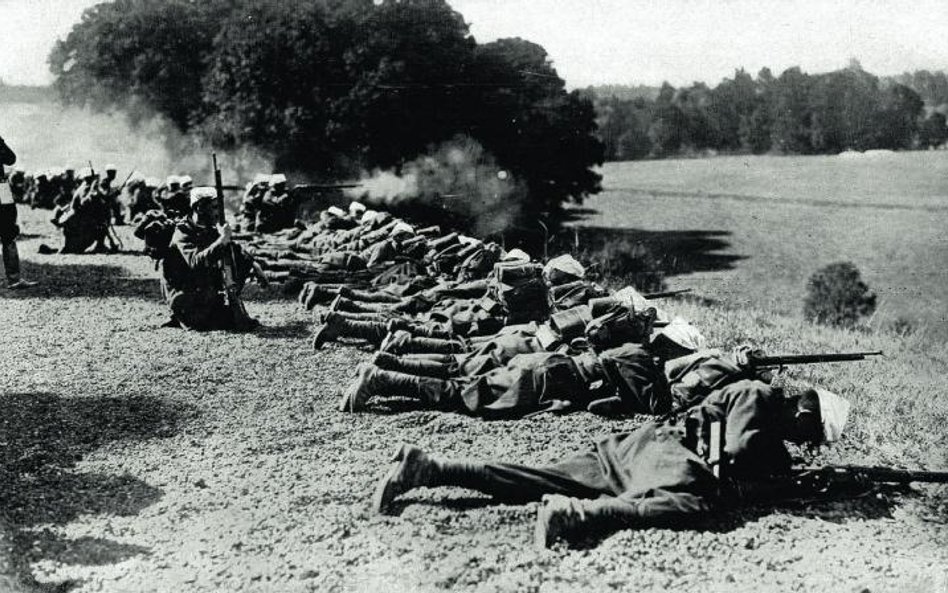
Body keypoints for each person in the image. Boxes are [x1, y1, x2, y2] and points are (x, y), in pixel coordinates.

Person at [373, 380, 851, 548]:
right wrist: (781, 482)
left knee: (538, 477)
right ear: (804, 411)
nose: (805, 443)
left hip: (633, 447)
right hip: (670, 457)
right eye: (810, 434)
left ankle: (430, 468)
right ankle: (575, 516)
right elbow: (738, 454)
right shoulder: (761, 395)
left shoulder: (762, 410)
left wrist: (792, 477)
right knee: (692, 507)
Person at [159, 186, 263, 330]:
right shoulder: (182, 233)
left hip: (201, 295)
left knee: (241, 259)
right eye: (214, 207)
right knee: (233, 322)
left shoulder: (206, 229)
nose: (218, 213)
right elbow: (196, 262)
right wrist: (222, 240)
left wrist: (253, 263)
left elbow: (233, 247)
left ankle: (224, 304)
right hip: (185, 300)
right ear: (199, 208)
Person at [0, 135, 37, 289]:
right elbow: (10, 158)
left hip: (2, 191)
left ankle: (14, 279)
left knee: (9, 234)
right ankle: (14, 279)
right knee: (8, 235)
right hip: (1, 192)